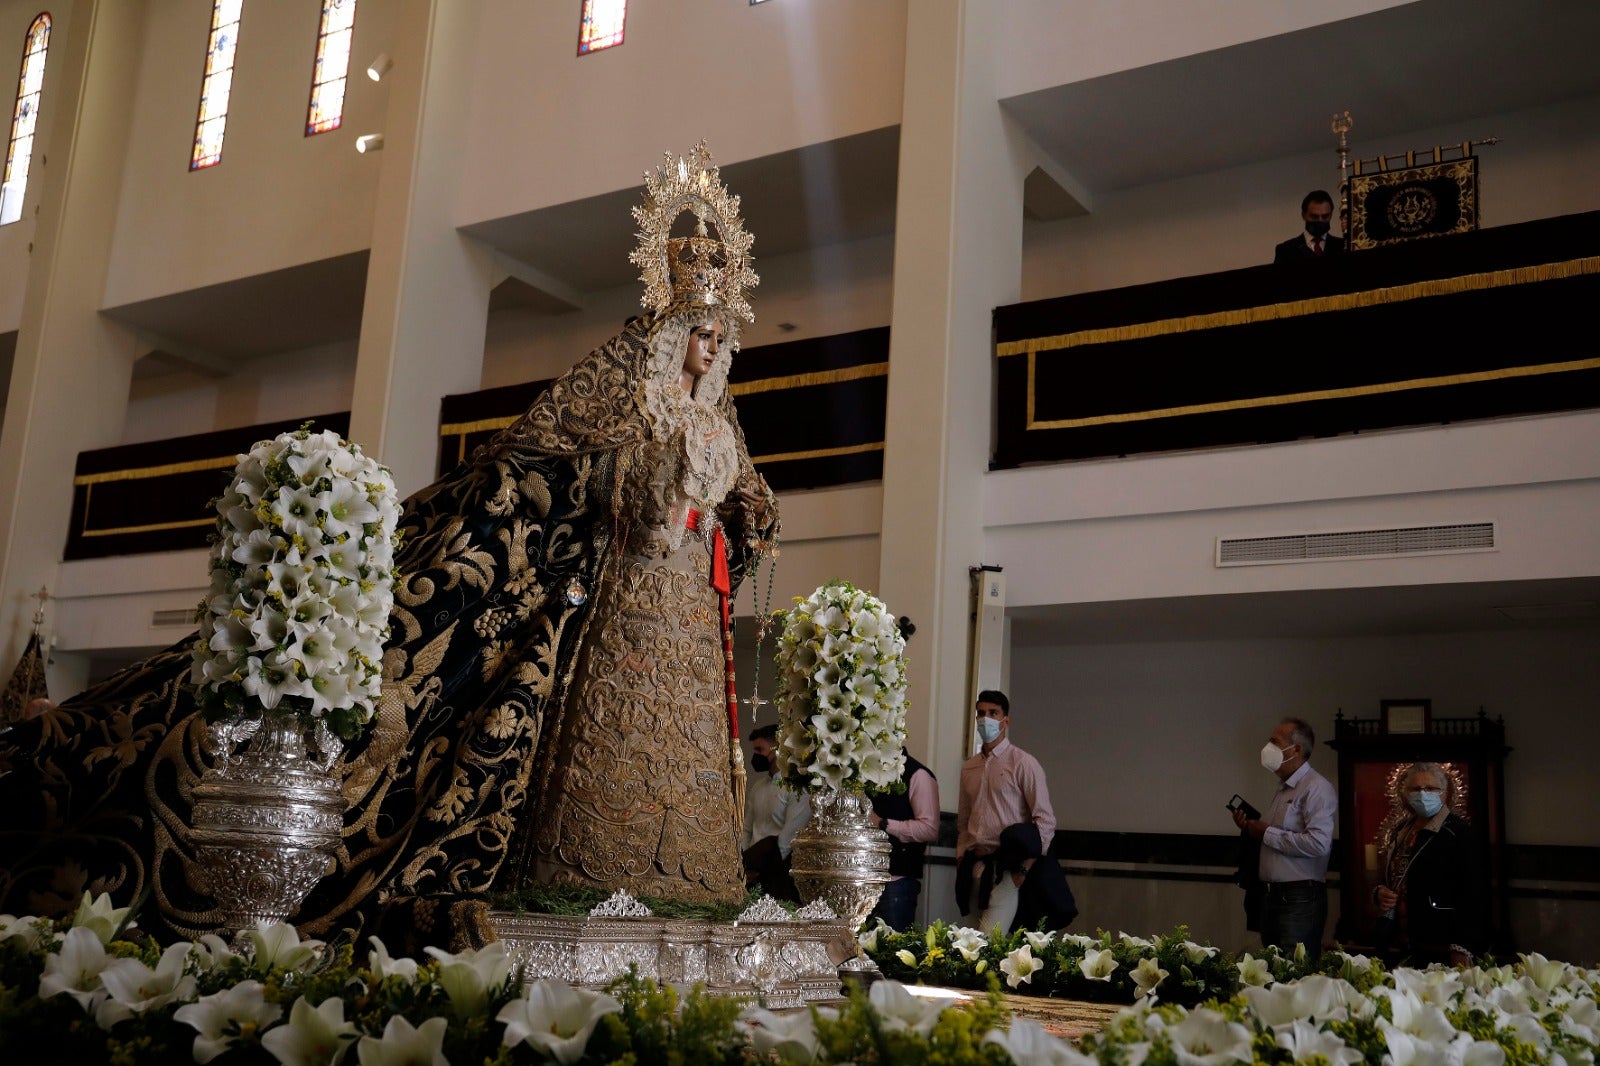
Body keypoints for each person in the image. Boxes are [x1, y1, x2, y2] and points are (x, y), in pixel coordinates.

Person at [0, 144, 779, 952]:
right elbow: (552, 467)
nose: (713, 348)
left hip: (685, 614)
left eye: (723, 337)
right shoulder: (622, 398)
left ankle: (690, 876)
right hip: (623, 603)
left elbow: (748, 511)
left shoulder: (721, 421)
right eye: (703, 332)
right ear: (673, 329)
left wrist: (739, 511)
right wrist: (656, 488)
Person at [954, 690, 1067, 935]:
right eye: (981, 713)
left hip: (1006, 867)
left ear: (1006, 720)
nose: (987, 719)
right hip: (974, 863)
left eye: (993, 713)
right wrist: (961, 854)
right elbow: (963, 819)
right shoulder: (970, 768)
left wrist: (1023, 870)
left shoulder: (1023, 763)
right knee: (968, 944)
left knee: (989, 944)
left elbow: (1045, 820)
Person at [1231, 717, 1337, 959]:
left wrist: (1265, 832)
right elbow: (1277, 836)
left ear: (1296, 749)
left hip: (1300, 899)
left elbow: (1318, 843)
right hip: (1272, 896)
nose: (1268, 748)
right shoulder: (1284, 788)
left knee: (1294, 972)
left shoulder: (1316, 788)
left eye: (1274, 742)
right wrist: (1250, 828)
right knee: (1274, 971)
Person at [1371, 762, 1486, 966]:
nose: (1423, 794)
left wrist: (1461, 945)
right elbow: (1390, 875)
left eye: (1431, 788)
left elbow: (1473, 892)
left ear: (1444, 793)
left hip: (1440, 939)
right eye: (1416, 789)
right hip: (1399, 939)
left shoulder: (1458, 833)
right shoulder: (1400, 831)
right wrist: (1379, 892)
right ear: (1405, 793)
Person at [867, 745, 939, 930]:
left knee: (895, 952)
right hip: (865, 879)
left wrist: (883, 823)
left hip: (897, 881)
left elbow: (929, 828)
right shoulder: (868, 771)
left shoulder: (918, 775)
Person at [740, 724, 809, 901]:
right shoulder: (758, 787)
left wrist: (761, 867)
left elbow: (790, 836)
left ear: (777, 749)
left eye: (760, 749)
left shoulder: (795, 788)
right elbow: (747, 828)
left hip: (778, 871)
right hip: (751, 869)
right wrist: (745, 865)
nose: (756, 755)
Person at [1274, 190, 1345, 262]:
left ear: (1331, 215)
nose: (1320, 220)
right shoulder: (1285, 250)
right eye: (1314, 217)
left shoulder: (1344, 246)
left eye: (1325, 216)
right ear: (1303, 215)